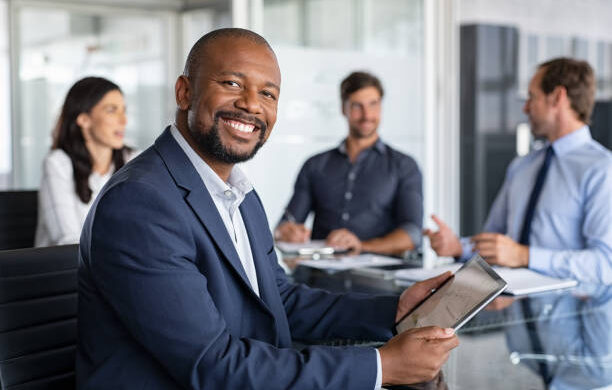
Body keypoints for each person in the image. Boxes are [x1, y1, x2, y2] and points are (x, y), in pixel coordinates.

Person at [77, 28, 459, 389]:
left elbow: (280, 300)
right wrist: (383, 366)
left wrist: (393, 311)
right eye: (231, 84)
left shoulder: (238, 193)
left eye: (268, 94)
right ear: (184, 92)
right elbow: (214, 366)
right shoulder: (142, 203)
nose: (250, 105)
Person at [424, 58, 612, 284]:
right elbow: (499, 243)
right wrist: (458, 247)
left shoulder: (601, 169)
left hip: (571, 312)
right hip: (511, 307)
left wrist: (525, 256)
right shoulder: (522, 166)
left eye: (532, 97)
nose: (525, 107)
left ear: (557, 97)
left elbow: (605, 265)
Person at [275, 71, 423, 256]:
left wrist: (362, 246)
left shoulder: (404, 166)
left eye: (373, 104)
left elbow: (412, 234)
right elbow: (286, 223)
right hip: (319, 277)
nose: (367, 115)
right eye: (357, 106)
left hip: (378, 279)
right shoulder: (314, 165)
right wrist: (286, 232)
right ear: (343, 108)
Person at [35, 76, 133, 247]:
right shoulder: (58, 164)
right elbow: (67, 241)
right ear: (84, 119)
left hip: (119, 268)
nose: (123, 121)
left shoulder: (134, 160)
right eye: (112, 110)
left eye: (123, 110)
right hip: (64, 270)